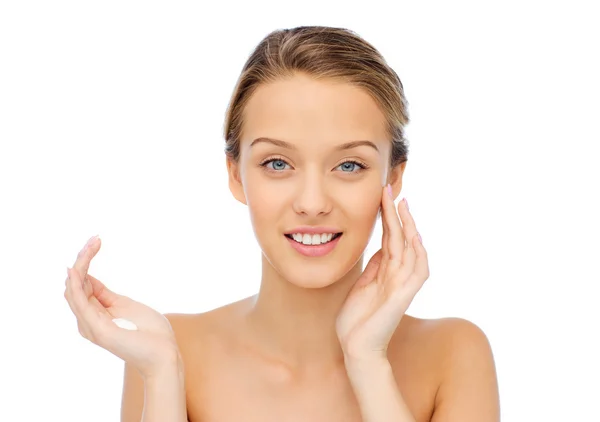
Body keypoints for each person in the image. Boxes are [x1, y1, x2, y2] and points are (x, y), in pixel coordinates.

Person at [63, 25, 500, 422]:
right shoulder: (169, 352)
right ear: (236, 174)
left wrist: (367, 362)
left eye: (349, 165)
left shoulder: (454, 355)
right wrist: (161, 377)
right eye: (277, 163)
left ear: (394, 176)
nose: (312, 203)